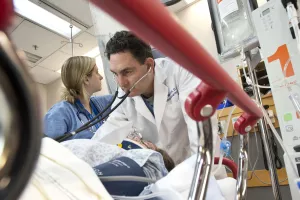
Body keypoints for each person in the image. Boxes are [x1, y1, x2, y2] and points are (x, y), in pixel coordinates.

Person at [93, 31, 220, 166]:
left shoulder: (180, 72)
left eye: (127, 72)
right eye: (115, 74)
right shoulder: (122, 97)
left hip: (198, 167)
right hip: (163, 176)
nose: (121, 83)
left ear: (149, 65)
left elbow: (201, 134)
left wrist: (203, 177)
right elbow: (107, 136)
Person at [44, 56, 113, 140]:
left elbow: (124, 97)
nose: (101, 77)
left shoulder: (98, 103)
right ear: (86, 79)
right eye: (97, 72)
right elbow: (49, 148)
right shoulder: (60, 112)